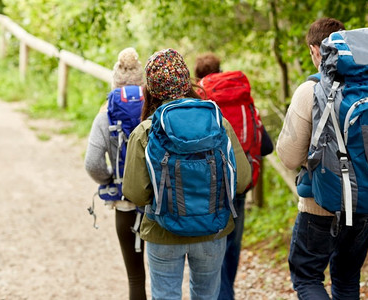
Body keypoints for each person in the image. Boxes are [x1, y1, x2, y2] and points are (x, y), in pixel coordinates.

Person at [122, 48, 252, 300]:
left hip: (163, 230)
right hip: (212, 229)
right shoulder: (218, 121)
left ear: (151, 88)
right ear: (186, 81)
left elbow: (135, 193)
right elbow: (242, 181)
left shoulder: (146, 130)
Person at [276, 18, 368, 299]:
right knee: (346, 279)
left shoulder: (311, 90)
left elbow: (289, 157)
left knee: (307, 278)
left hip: (320, 207)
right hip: (364, 204)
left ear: (315, 50)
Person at [194, 53, 274, 300]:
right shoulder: (243, 98)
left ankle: (223, 294)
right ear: (220, 69)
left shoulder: (200, 100)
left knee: (211, 245)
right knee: (232, 245)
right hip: (241, 181)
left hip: (211, 186)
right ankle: (227, 292)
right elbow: (267, 146)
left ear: (199, 77)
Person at [84, 47, 148, 300]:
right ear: (143, 81)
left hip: (124, 204)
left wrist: (110, 178)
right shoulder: (157, 108)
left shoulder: (105, 113)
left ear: (115, 81)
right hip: (158, 203)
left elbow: (92, 163)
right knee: (166, 277)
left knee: (135, 279)